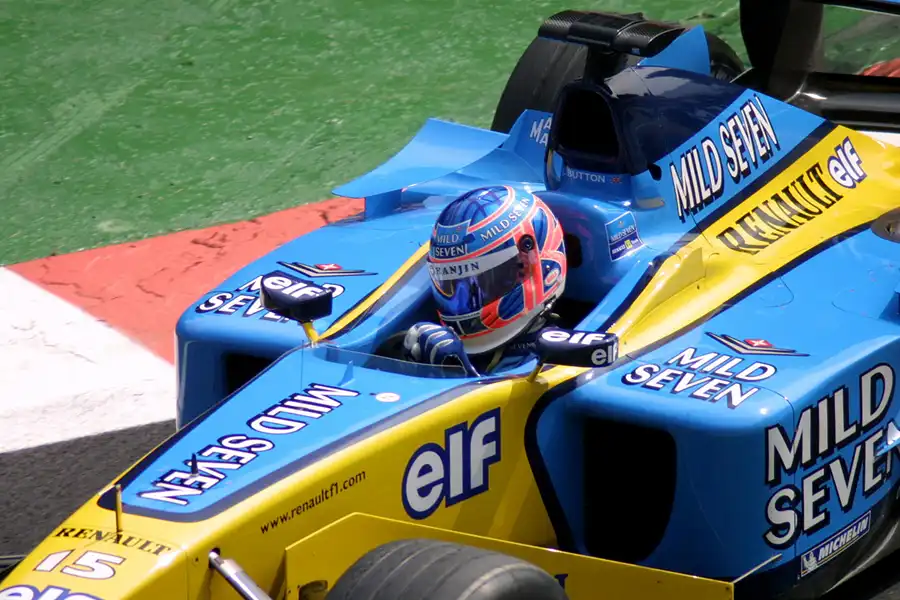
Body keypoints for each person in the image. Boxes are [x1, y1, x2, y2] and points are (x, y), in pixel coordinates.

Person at [404, 186, 567, 375]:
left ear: (527, 263)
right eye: (450, 283)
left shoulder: (557, 359)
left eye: (480, 282)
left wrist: (456, 372)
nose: (462, 299)